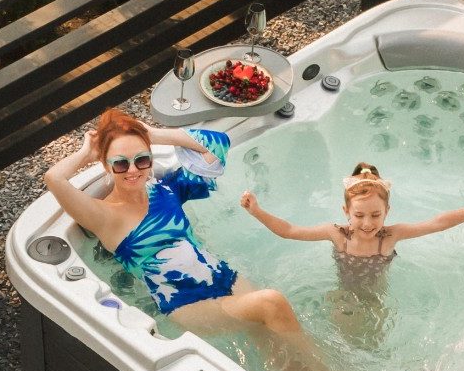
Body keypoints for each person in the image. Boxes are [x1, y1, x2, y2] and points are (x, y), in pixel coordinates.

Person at [41, 109, 317, 345]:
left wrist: (152, 133)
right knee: (271, 303)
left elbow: (218, 145)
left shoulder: (166, 190)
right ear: (105, 164)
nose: (133, 170)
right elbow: (54, 178)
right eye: (121, 163)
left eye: (141, 159)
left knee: (270, 337)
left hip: (222, 276)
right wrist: (86, 152)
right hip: (185, 302)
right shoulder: (104, 215)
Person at [236, 163, 464, 292]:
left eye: (376, 215)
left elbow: (438, 223)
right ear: (346, 212)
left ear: (387, 212)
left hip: (377, 298)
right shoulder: (337, 235)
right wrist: (256, 211)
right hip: (343, 297)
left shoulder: (390, 236)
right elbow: (289, 231)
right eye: (359, 215)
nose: (367, 223)